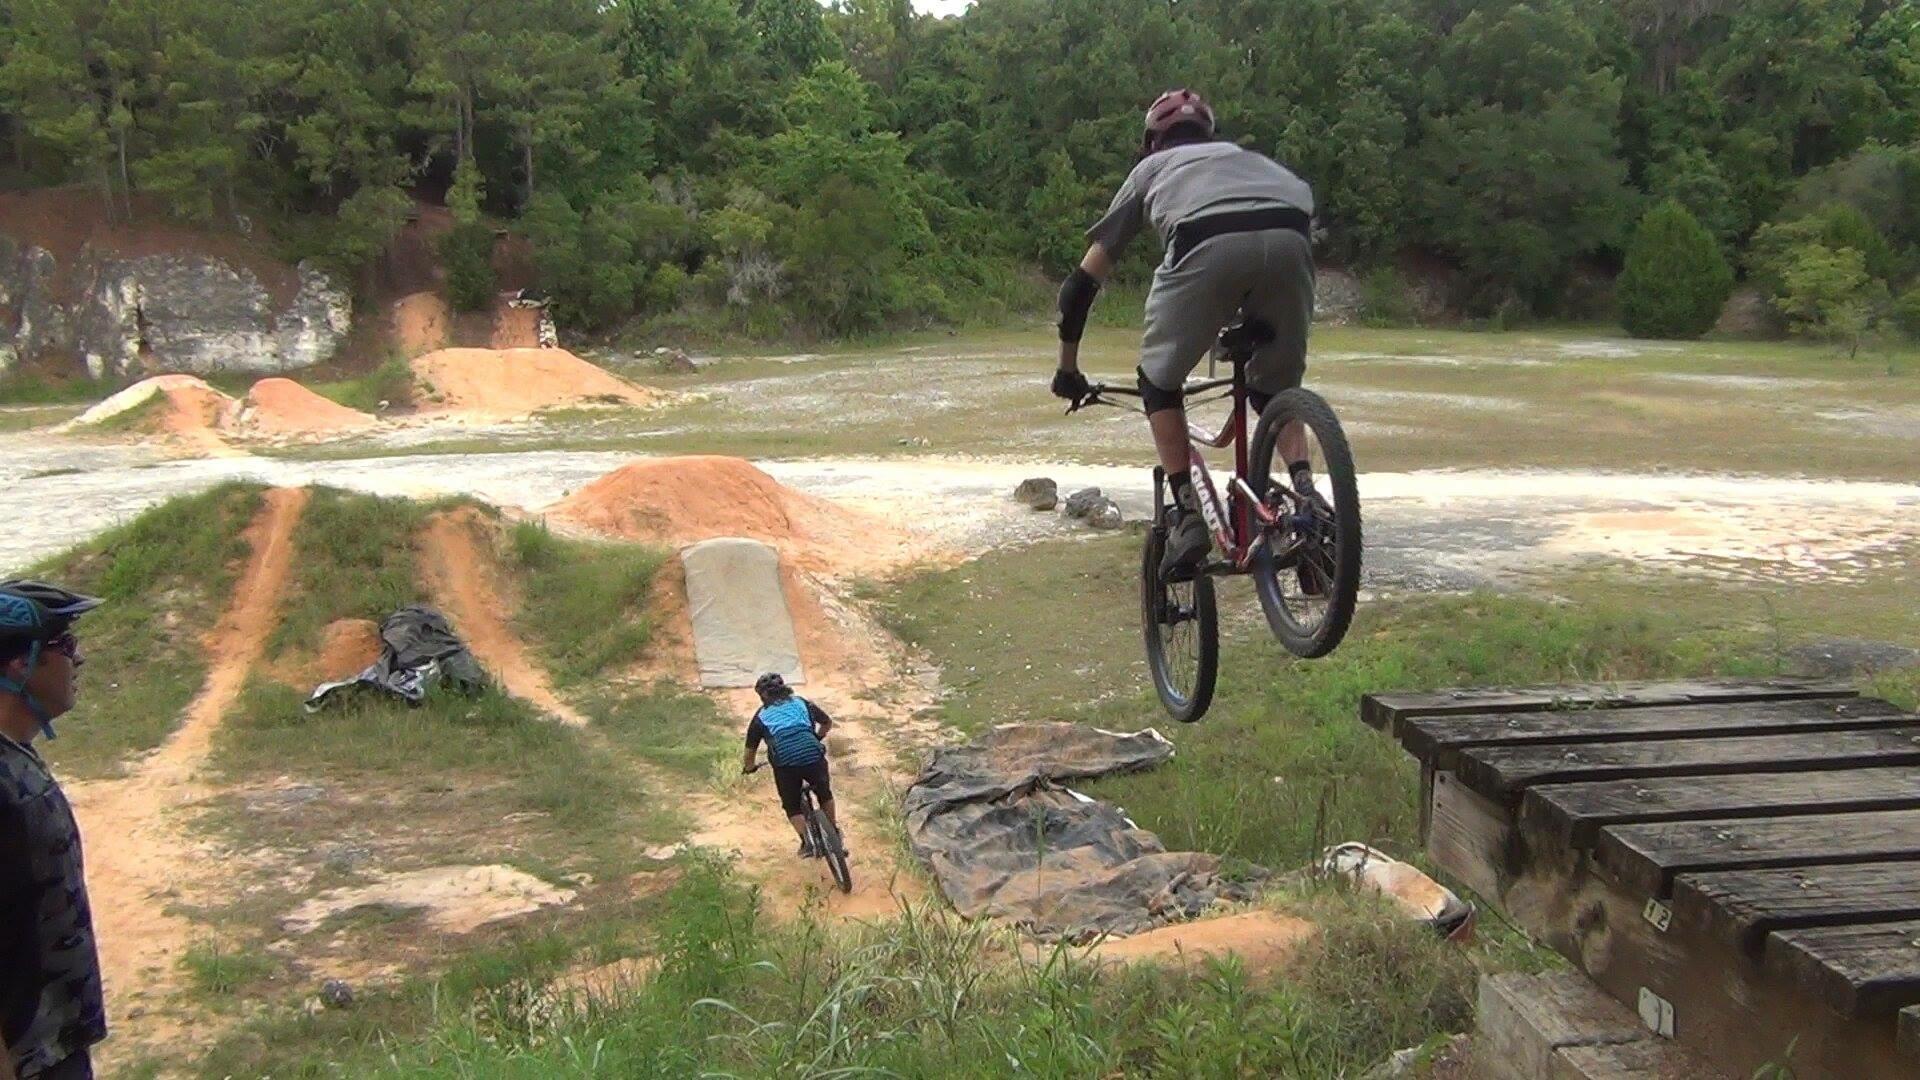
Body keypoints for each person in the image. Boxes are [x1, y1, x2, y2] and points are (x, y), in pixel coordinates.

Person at [1051, 88, 1318, 580]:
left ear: (1153, 141)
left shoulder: (1151, 169)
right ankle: (1310, 503)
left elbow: (1081, 285)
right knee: (1276, 390)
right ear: (1208, 135)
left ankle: (1187, 513)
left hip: (1206, 241)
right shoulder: (1246, 158)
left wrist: (1067, 370)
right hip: (1292, 231)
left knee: (1159, 382)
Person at [1, 581, 107, 1080]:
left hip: (52, 1042)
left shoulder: (15, 756)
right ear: (21, 664)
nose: (80, 659)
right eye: (65, 646)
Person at [739, 673, 840, 858]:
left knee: (791, 805)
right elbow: (826, 723)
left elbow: (750, 752)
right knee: (825, 794)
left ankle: (807, 843)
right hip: (813, 755)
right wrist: (816, 738)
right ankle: (834, 834)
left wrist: (749, 768)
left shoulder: (761, 717)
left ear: (762, 696)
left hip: (786, 764)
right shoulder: (802, 703)